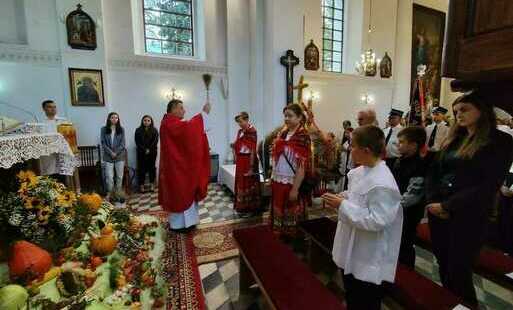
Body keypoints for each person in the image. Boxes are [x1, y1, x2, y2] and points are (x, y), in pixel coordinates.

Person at [425, 91, 513, 308]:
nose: (458, 115)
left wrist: (448, 205)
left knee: (459, 271)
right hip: (438, 212)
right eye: (456, 112)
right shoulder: (455, 137)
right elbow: (434, 172)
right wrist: (432, 202)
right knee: (444, 267)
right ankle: (452, 305)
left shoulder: (500, 140)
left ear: (481, 110)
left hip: (468, 214)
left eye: (464, 109)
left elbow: (488, 184)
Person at [323, 125, 402, 310]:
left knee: (365, 300)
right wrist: (344, 197)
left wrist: (342, 205)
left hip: (367, 252)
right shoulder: (362, 171)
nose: (349, 149)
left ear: (365, 151)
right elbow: (357, 196)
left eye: (352, 146)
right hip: (351, 245)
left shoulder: (383, 183)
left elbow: (378, 220)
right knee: (352, 293)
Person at [159, 99, 211, 232]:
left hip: (178, 167)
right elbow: (188, 130)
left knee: (186, 190)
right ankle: (178, 225)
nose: (184, 110)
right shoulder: (169, 123)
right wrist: (203, 114)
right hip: (176, 168)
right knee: (180, 193)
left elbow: (187, 132)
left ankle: (189, 222)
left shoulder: (170, 122)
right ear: (173, 109)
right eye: (181, 108)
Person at [271, 103, 312, 236]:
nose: (286, 119)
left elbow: (302, 165)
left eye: (290, 116)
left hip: (292, 182)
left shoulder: (303, 137)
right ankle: (279, 234)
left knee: (292, 209)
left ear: (300, 118)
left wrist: (295, 188)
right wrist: (272, 176)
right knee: (278, 208)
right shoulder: (282, 134)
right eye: (285, 116)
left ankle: (292, 238)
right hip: (278, 179)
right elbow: (277, 158)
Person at [392, 126, 428, 269]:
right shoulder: (399, 161)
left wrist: (391, 206)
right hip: (396, 208)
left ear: (413, 145)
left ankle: (407, 273)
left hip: (409, 212)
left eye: (401, 142)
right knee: (395, 243)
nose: (397, 144)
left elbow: (413, 195)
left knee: (405, 243)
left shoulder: (420, 164)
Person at [232, 112, 261, 214]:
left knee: (249, 182)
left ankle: (250, 208)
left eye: (241, 121)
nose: (239, 124)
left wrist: (251, 167)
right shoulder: (240, 131)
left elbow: (253, 149)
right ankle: (241, 206)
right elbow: (238, 144)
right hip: (241, 160)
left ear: (247, 119)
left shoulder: (252, 131)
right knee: (241, 182)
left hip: (249, 160)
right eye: (238, 122)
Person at [101, 112, 127, 203]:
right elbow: (103, 143)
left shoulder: (121, 129)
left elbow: (123, 144)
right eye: (112, 117)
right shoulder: (104, 129)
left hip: (119, 156)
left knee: (119, 176)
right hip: (108, 156)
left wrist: (115, 152)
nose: (114, 119)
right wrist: (111, 152)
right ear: (109, 119)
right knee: (109, 176)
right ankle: (111, 194)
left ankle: (118, 193)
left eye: (116, 118)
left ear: (118, 119)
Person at [40, 100, 68, 182]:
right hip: (48, 153)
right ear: (44, 109)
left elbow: (68, 135)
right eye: (49, 107)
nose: (53, 109)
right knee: (50, 175)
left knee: (62, 175)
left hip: (61, 152)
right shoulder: (41, 123)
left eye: (54, 107)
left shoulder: (63, 121)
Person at [135, 115, 159, 193]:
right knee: (141, 169)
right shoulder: (138, 130)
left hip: (152, 152)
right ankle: (141, 186)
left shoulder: (155, 130)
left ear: (151, 121)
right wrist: (144, 149)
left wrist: (149, 149)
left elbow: (155, 141)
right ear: (142, 121)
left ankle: (152, 185)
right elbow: (137, 142)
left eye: (148, 120)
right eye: (145, 120)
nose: (146, 122)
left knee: (152, 168)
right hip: (141, 153)